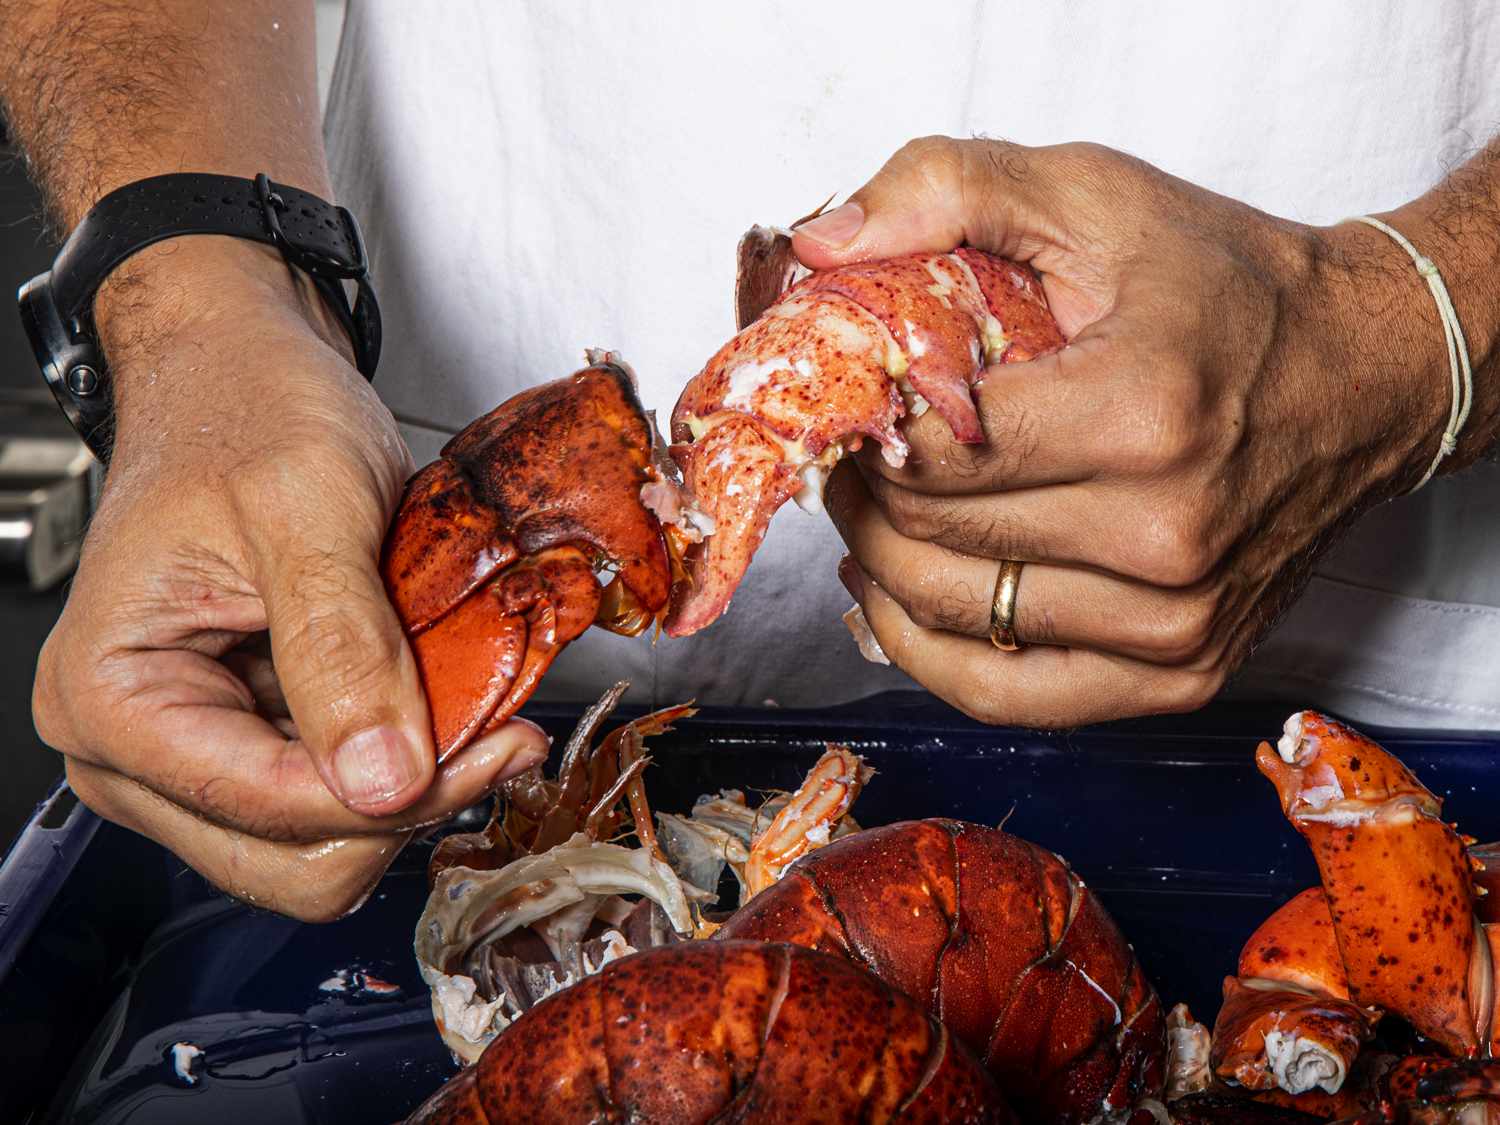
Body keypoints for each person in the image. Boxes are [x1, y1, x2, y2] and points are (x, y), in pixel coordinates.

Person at [4, 2, 1496, 921]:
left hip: (1385, 716)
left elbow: (1413, 326)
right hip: (504, 650)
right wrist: (194, 298)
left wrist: (1407, 331)